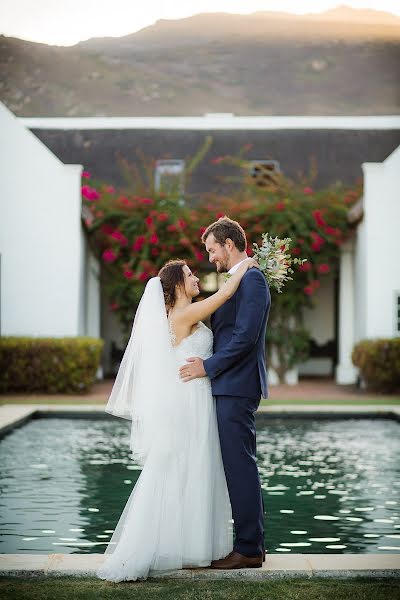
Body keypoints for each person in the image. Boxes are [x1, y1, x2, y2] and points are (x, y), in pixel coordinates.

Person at [96, 255, 259, 582]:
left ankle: (188, 545)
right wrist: (248, 267)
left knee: (193, 469)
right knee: (185, 468)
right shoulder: (183, 314)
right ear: (176, 286)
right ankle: (172, 546)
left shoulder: (181, 315)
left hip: (196, 399)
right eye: (189, 275)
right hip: (189, 402)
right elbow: (224, 295)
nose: (196, 277)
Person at [179, 216, 271, 569]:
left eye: (212, 249)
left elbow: (245, 338)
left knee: (240, 466)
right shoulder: (239, 279)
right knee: (237, 466)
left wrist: (208, 366)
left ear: (229, 244)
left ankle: (248, 547)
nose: (210, 256)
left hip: (237, 385)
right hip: (229, 385)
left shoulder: (253, 280)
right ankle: (250, 543)